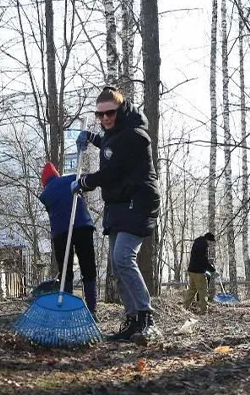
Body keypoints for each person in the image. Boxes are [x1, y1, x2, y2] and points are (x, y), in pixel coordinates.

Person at [73, 86, 162, 342]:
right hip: (120, 204)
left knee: (123, 257)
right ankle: (133, 321)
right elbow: (110, 145)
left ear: (120, 109)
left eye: (109, 113)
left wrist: (84, 183)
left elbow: (112, 169)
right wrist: (92, 137)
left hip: (138, 201)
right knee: (116, 263)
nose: (104, 119)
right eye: (99, 115)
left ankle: (147, 319)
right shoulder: (116, 133)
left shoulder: (135, 134)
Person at [38, 162, 98, 315]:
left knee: (66, 271)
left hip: (60, 233)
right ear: (57, 175)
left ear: (44, 182)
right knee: (88, 268)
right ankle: (92, 310)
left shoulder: (45, 195)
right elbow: (90, 182)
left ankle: (68, 310)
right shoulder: (73, 178)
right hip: (84, 226)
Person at [184, 232, 217, 314]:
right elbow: (203, 261)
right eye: (211, 242)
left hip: (191, 270)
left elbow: (199, 259)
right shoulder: (204, 246)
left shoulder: (197, 243)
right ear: (208, 240)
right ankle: (203, 310)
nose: (210, 244)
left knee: (191, 290)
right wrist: (213, 270)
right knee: (203, 291)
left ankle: (184, 308)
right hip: (199, 272)